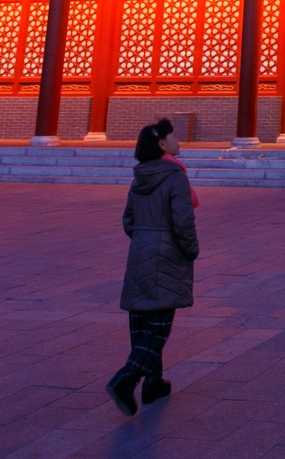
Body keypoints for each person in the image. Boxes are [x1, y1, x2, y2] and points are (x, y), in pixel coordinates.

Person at [107, 118, 199, 416]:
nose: (177, 140)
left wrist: (144, 237)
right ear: (162, 145)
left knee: (143, 320)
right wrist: (191, 250)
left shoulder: (140, 177)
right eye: (173, 137)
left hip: (140, 251)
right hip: (167, 253)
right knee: (158, 327)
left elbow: (128, 220)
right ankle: (127, 378)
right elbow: (183, 221)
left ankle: (153, 383)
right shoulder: (175, 177)